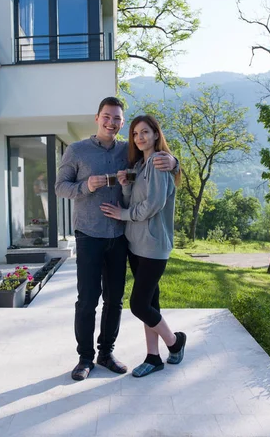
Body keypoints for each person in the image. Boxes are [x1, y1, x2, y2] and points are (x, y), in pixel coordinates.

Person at [55, 97, 177, 381]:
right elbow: (60, 187)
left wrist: (175, 161)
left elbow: (156, 164)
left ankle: (106, 353)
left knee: (115, 300)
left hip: (120, 237)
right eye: (106, 117)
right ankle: (85, 358)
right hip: (89, 234)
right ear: (97, 118)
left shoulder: (129, 150)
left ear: (123, 123)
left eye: (117, 119)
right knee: (87, 300)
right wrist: (86, 185)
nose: (111, 122)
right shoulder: (76, 150)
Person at [100, 114, 186, 377]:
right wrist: (125, 187)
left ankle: (174, 341)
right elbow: (133, 199)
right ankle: (153, 357)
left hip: (154, 247)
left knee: (139, 305)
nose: (140, 137)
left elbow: (153, 206)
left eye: (145, 132)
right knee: (151, 303)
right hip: (135, 245)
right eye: (136, 133)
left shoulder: (160, 164)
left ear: (156, 135)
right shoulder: (140, 165)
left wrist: (122, 215)